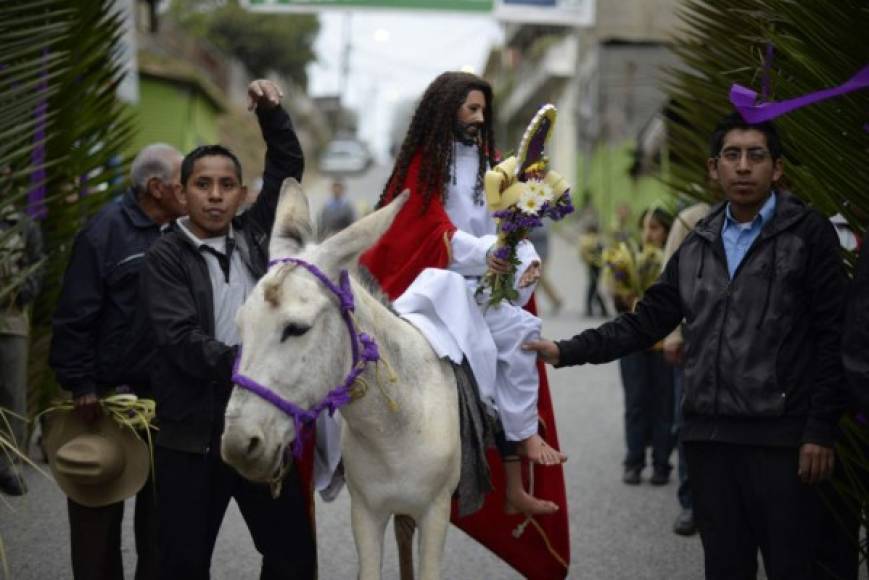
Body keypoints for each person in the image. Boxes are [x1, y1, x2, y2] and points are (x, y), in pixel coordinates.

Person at [525, 113, 848, 580]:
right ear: (713, 169)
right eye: (731, 156)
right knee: (724, 567)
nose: (742, 167)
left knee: (791, 568)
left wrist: (819, 430)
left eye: (756, 156)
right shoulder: (698, 240)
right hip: (708, 441)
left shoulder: (807, 234)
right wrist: (566, 350)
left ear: (777, 169)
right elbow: (646, 322)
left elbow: (830, 334)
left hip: (782, 439)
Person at [360, 71, 565, 517]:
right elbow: (433, 231)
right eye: (470, 108)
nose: (478, 117)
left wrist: (524, 257)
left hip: (483, 285)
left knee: (521, 331)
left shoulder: (496, 163)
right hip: (433, 285)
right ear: (445, 108)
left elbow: (513, 225)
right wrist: (487, 253)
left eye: (482, 110)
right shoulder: (422, 165)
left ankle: (516, 471)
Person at [140, 80, 316, 579]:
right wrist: (258, 367)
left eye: (225, 186)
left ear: (242, 194)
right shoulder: (164, 257)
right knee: (182, 562)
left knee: (292, 555)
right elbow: (180, 341)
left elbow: (286, 169)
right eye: (202, 185)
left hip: (261, 425)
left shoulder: (257, 234)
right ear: (181, 192)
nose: (215, 196)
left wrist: (272, 114)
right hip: (192, 437)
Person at [49, 140, 185, 579]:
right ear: (155, 187)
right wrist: (82, 385)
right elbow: (74, 315)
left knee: (163, 526)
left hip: (164, 402)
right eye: (183, 183)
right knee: (97, 518)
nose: (192, 193)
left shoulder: (183, 233)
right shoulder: (103, 233)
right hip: (108, 401)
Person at [614, 207, 675, 487]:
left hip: (664, 345)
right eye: (646, 228)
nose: (649, 234)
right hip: (634, 343)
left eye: (656, 229)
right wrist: (623, 295)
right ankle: (634, 461)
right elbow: (616, 301)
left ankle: (661, 463)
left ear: (667, 232)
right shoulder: (630, 258)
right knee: (636, 401)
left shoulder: (671, 262)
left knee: (664, 404)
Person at [661, 201, 710, 535]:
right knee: (687, 422)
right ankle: (691, 503)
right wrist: (673, 333)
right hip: (695, 342)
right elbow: (670, 280)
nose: (742, 167)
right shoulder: (693, 219)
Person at [0, 166, 44, 496]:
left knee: (12, 395)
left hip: (10, 320)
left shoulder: (24, 225)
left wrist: (21, 291)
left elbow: (36, 265)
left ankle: (9, 464)